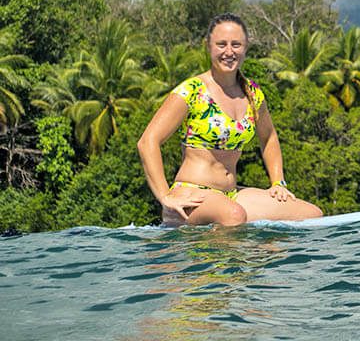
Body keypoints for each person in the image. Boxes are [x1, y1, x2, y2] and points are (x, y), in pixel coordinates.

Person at [138, 13, 323, 226]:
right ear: (208, 46)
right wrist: (165, 196)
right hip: (193, 197)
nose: (229, 51)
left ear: (245, 48)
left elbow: (269, 137)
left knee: (310, 214)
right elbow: (147, 141)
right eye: (221, 44)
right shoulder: (192, 90)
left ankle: (266, 257)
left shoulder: (253, 94)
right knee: (233, 215)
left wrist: (278, 182)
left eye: (236, 44)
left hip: (231, 195)